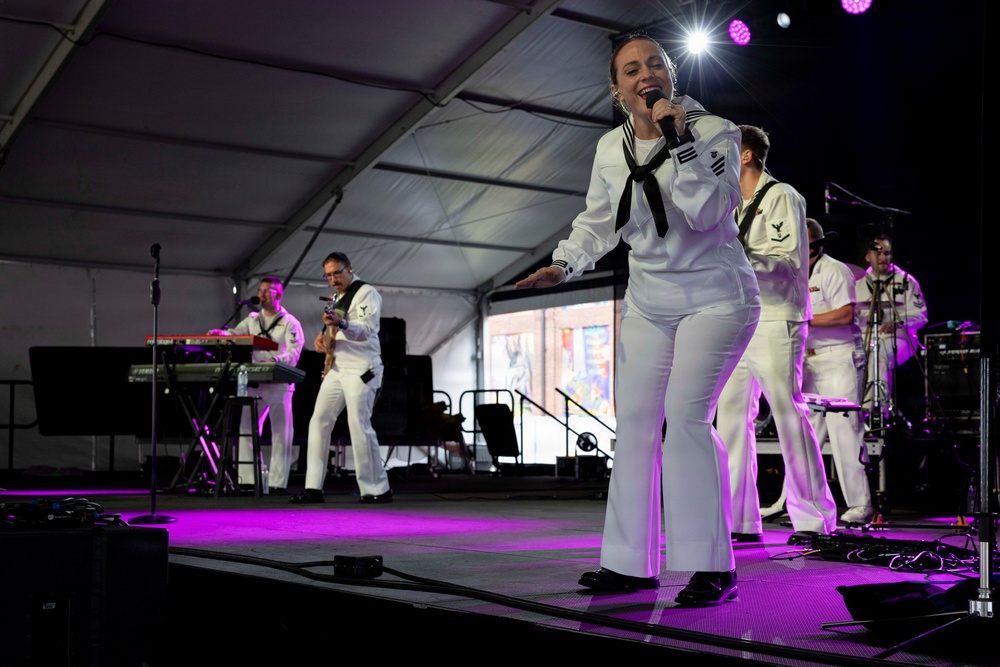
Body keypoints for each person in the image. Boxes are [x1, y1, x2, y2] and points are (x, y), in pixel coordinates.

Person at [515, 34, 760, 606]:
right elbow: (599, 222)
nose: (644, 74)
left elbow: (705, 214)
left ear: (671, 76)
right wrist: (564, 264)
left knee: (686, 417)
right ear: (615, 89)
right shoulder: (607, 149)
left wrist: (678, 139)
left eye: (655, 64)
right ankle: (629, 564)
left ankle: (709, 565)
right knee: (638, 426)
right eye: (631, 69)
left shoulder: (713, 131)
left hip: (717, 295)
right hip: (651, 301)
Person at [716, 126, 837, 542]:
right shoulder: (731, 206)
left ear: (745, 156)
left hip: (778, 317)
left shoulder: (782, 195)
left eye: (726, 152)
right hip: (740, 320)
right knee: (731, 418)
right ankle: (740, 521)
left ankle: (814, 518)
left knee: (787, 412)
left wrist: (741, 256)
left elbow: (789, 262)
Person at [290, 252, 392, 504]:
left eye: (337, 273)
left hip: (362, 368)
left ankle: (377, 488)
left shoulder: (366, 292)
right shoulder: (337, 296)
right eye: (328, 275)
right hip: (336, 367)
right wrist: (322, 337)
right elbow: (333, 324)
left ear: (349, 269)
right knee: (319, 420)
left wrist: (342, 324)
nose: (333, 279)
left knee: (359, 425)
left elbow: (368, 330)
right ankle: (313, 487)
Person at [802, 219, 874, 525]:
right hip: (808, 362)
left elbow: (846, 314)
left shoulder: (834, 270)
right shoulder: (793, 275)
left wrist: (804, 320)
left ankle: (861, 505)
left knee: (844, 433)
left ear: (814, 246)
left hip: (838, 358)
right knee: (807, 436)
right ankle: (803, 503)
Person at [208, 277, 304, 493]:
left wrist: (276, 361)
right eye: (260, 291)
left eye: (267, 291)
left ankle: (278, 483)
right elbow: (235, 334)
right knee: (246, 429)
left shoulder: (290, 322)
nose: (261, 295)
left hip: (279, 382)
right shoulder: (252, 320)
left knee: (281, 432)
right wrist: (222, 334)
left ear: (278, 295)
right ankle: (249, 479)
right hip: (255, 381)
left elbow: (294, 351)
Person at [854, 235, 928, 417]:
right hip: (865, 338)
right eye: (877, 254)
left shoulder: (906, 281)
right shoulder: (857, 286)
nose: (883, 258)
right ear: (868, 257)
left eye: (887, 254)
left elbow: (922, 315)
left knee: (878, 354)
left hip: (901, 339)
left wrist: (897, 323)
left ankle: (876, 410)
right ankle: (851, 409)